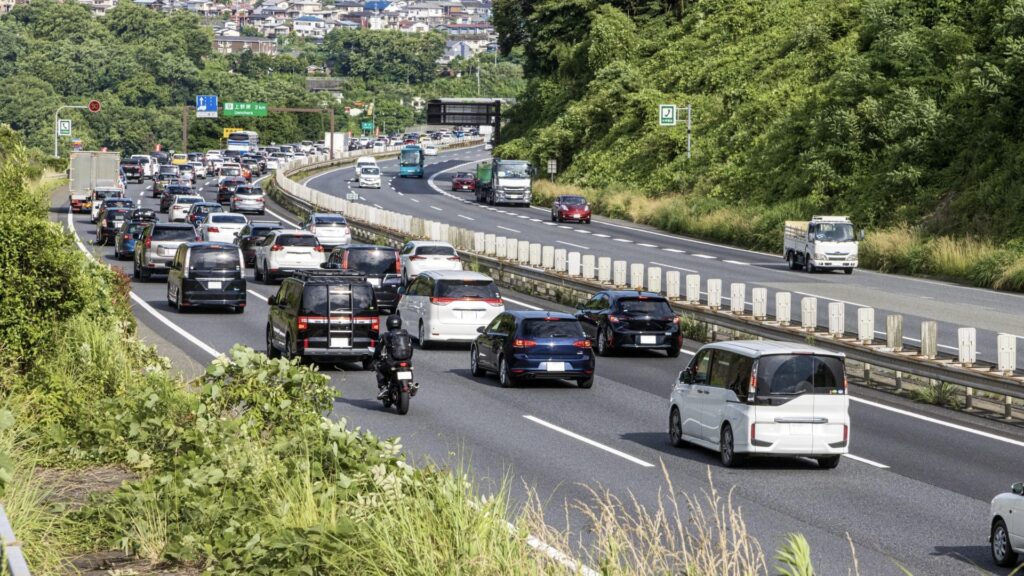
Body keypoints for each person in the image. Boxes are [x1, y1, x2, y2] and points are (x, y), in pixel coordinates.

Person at [375, 314, 411, 399]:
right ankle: (410, 384)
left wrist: (375, 359)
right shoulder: (406, 333)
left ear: (388, 324)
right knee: (409, 368)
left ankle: (383, 387)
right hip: (407, 361)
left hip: (392, 362)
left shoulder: (385, 335)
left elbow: (378, 349)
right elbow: (411, 347)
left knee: (379, 367)